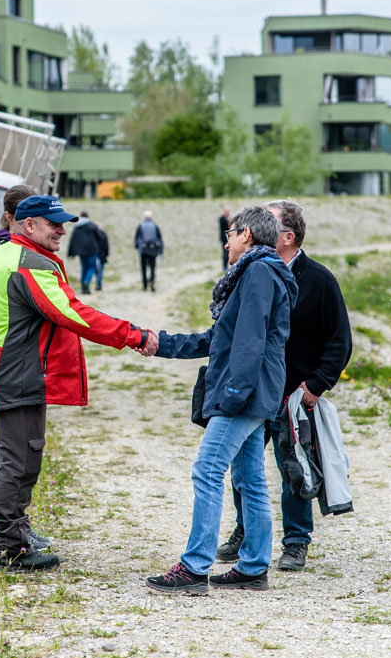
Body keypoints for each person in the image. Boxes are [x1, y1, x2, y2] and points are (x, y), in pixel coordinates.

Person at [0, 194, 158, 570]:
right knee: (19, 462)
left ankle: (10, 538)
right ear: (28, 225)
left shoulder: (1, 253)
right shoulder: (29, 263)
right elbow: (73, 313)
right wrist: (132, 335)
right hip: (13, 373)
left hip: (1, 369)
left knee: (17, 457)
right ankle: (7, 548)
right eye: (53, 224)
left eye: (63, 223)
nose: (61, 230)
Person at [145, 206, 297, 594]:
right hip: (254, 392)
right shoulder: (258, 272)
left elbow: (250, 342)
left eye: (229, 234)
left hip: (245, 394)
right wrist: (163, 344)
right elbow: (220, 339)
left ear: (246, 234)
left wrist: (233, 396)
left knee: (207, 469)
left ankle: (194, 567)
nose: (225, 242)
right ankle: (253, 567)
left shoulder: (259, 272)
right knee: (250, 478)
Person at [214, 200, 353, 572]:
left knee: (294, 468)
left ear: (287, 237)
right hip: (255, 388)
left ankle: (296, 541)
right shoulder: (250, 272)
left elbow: (340, 341)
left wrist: (315, 385)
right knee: (242, 467)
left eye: (270, 223)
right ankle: (245, 531)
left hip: (293, 393)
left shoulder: (319, 280)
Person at [0, 185, 45, 560]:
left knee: (3, 452)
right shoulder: (3, 253)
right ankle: (3, 536)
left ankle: (9, 530)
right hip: (4, 365)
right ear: (16, 219)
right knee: (4, 455)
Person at [66, 211, 102, 295]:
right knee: (91, 267)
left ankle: (83, 289)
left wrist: (70, 253)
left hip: (81, 252)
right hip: (92, 250)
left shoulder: (76, 227)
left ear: (80, 216)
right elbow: (99, 237)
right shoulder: (92, 225)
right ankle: (87, 281)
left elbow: (73, 240)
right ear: (88, 216)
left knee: (84, 268)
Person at [134, 211, 164, 292]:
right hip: (153, 249)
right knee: (152, 267)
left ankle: (144, 285)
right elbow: (159, 239)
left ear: (144, 217)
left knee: (143, 268)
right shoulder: (155, 226)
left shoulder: (141, 226)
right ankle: (152, 282)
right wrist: (161, 250)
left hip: (143, 249)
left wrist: (137, 246)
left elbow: (137, 238)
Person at [94, 222, 110, 291]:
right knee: (100, 271)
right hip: (102, 255)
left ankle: (98, 284)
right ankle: (98, 284)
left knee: (97, 271)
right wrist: (106, 254)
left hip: (95, 254)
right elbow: (106, 246)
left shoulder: (93, 234)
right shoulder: (104, 234)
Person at [218, 205, 232, 270]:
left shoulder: (229, 218)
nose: (227, 212)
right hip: (224, 238)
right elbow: (225, 226)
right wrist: (228, 220)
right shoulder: (222, 218)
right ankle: (224, 266)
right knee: (225, 252)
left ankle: (227, 265)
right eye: (226, 211)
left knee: (229, 252)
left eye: (228, 211)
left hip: (229, 237)